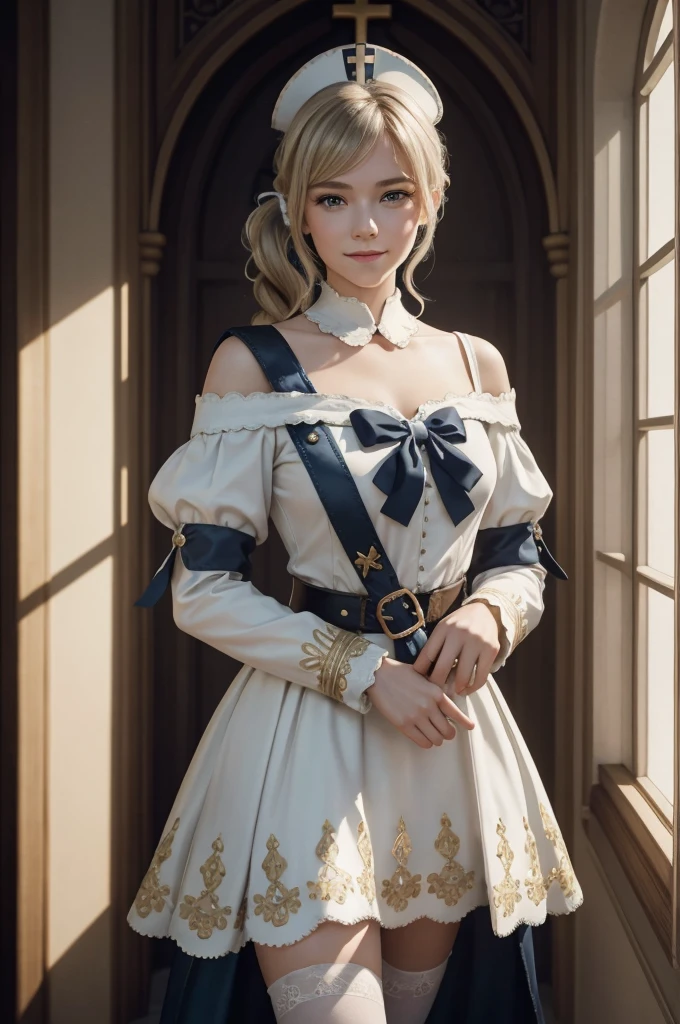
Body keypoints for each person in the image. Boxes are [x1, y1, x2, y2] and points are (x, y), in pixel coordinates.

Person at [127, 42, 583, 1024]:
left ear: (426, 199)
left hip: (447, 739)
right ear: (294, 208)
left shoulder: (475, 363)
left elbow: (518, 556)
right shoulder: (251, 364)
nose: (364, 224)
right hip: (310, 733)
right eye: (332, 198)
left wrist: (494, 619)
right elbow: (202, 588)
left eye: (390, 193)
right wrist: (363, 670)